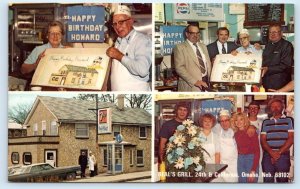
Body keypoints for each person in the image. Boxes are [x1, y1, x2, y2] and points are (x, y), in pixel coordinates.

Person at [106, 5, 152, 91]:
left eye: (121, 22)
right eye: (114, 24)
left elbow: (142, 70)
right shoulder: (118, 41)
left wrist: (119, 56)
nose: (118, 27)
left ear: (130, 21)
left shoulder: (142, 40)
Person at [261, 98, 294, 183]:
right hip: (268, 156)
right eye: (273, 106)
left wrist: (278, 153)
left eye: (278, 106)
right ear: (269, 109)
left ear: (282, 107)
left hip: (283, 155)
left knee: (282, 180)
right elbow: (263, 140)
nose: (275, 108)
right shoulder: (265, 122)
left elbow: (291, 138)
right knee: (267, 181)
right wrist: (272, 153)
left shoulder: (289, 120)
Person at [174, 24, 212, 91]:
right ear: (187, 34)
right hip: (191, 85)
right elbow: (179, 68)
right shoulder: (180, 47)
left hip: (206, 82)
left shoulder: (203, 46)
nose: (195, 35)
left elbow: (207, 64)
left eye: (197, 33)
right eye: (192, 33)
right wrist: (195, 82)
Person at [261, 24, 294, 91]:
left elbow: (286, 65)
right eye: (270, 32)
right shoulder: (268, 45)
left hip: (281, 86)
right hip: (266, 84)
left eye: (275, 32)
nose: (272, 34)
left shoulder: (287, 45)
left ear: (281, 33)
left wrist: (268, 69)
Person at [232, 112, 260, 183]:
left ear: (245, 121)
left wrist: (253, 170)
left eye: (241, 119)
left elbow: (257, 151)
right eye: (236, 120)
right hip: (240, 160)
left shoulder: (251, 131)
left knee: (251, 182)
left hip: (251, 159)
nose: (238, 122)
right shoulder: (236, 133)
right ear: (234, 122)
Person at [213, 109, 238, 182]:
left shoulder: (236, 131)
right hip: (222, 166)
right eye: (222, 121)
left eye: (226, 120)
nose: (224, 123)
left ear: (230, 120)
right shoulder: (217, 130)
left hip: (234, 166)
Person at [247, 101, 263, 182]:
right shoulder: (244, 122)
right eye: (251, 108)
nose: (253, 109)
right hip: (247, 153)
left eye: (255, 108)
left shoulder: (262, 123)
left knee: (258, 175)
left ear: (259, 110)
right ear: (248, 110)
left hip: (259, 152)